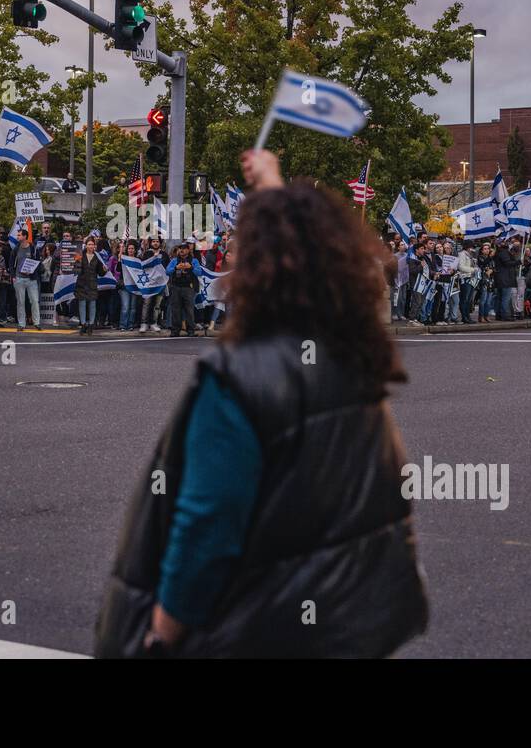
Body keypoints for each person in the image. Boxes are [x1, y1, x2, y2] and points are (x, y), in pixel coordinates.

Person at [94, 149, 427, 658]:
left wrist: (162, 632)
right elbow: (302, 247)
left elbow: (207, 528)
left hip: (254, 628)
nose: (229, 255)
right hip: (341, 626)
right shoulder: (352, 361)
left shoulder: (239, 377)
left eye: (239, 247)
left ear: (256, 266)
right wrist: (272, 186)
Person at [73, 236, 106, 335]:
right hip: (82, 283)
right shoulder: (80, 255)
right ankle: (83, 324)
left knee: (92, 304)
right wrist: (76, 262)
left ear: (94, 246)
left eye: (92, 244)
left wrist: (104, 270)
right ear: (86, 245)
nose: (91, 246)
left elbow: (100, 273)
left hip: (92, 283)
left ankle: (91, 325)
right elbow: (75, 269)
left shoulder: (97, 257)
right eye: (89, 244)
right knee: (82, 304)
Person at [11, 227, 41, 331]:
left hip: (31, 279)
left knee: (34, 301)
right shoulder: (16, 249)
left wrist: (32, 271)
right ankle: (21, 324)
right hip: (19, 278)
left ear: (24, 236)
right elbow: (11, 263)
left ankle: (37, 322)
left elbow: (38, 262)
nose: (17, 237)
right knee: (20, 302)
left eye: (19, 235)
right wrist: (13, 276)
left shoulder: (33, 248)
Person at [166, 242, 199, 336]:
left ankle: (191, 331)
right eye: (180, 248)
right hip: (176, 287)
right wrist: (176, 267)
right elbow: (167, 271)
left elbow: (199, 272)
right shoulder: (174, 260)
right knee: (175, 310)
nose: (181, 250)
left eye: (184, 248)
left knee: (189, 310)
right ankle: (175, 331)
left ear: (188, 250)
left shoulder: (194, 260)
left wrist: (191, 267)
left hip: (188, 288)